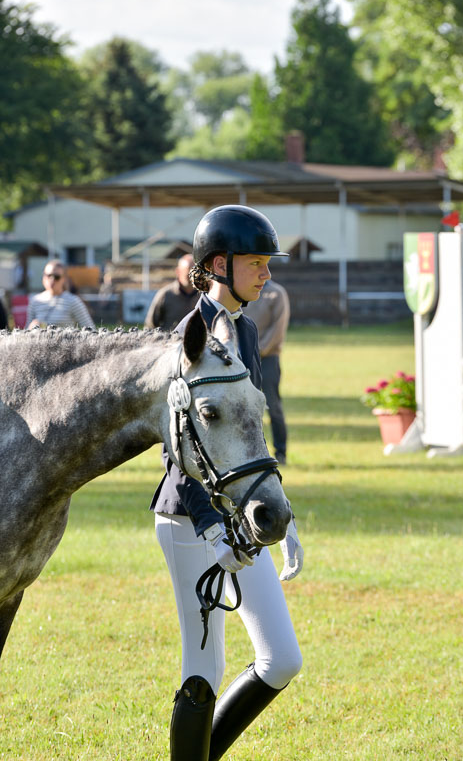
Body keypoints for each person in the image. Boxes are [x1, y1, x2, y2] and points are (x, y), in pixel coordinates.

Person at [151, 205, 303, 761]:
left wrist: (280, 515)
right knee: (203, 669)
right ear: (219, 264)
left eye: (267, 263)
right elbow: (178, 454)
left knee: (281, 660)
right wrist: (214, 529)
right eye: (256, 262)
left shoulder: (246, 329)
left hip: (242, 519)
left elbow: (251, 442)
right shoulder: (186, 337)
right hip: (193, 521)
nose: (266, 273)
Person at [246, 278, 290, 465]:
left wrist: (257, 351)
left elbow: (278, 329)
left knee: (273, 406)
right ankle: (251, 453)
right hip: (242, 358)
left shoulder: (276, 293)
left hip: (268, 359)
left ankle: (280, 452)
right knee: (246, 408)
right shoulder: (243, 292)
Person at [26, 260, 95, 329]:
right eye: (48, 275)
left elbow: (91, 329)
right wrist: (32, 327)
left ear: (64, 279)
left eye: (57, 277)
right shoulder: (35, 300)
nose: (52, 280)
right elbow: (26, 331)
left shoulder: (73, 301)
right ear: (43, 276)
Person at [144, 253, 198, 330]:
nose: (191, 274)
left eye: (194, 270)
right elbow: (150, 325)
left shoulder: (204, 296)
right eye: (187, 269)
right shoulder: (165, 294)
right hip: (170, 341)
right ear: (178, 271)